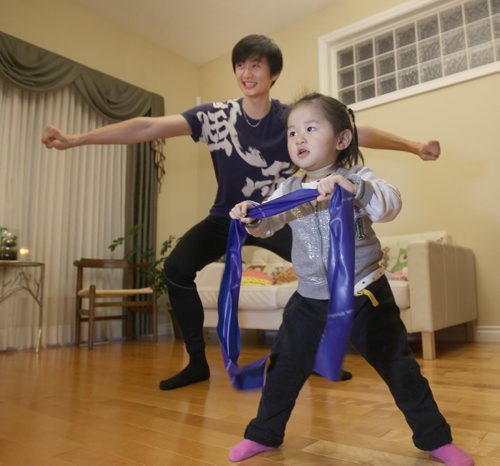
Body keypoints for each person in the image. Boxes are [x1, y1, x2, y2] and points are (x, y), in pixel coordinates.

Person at [42, 34, 441, 392]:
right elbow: (148, 127)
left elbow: (357, 128)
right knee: (177, 269)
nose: (246, 72)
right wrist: (76, 139)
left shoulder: (290, 118)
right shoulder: (216, 116)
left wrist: (415, 146)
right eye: (240, 64)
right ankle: (197, 362)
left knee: (321, 271)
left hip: (283, 213)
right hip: (230, 217)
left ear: (273, 74)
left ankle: (317, 356)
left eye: (256, 65)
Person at [228, 93, 473, 466]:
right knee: (284, 368)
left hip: (364, 294)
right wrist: (251, 215)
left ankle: (434, 438)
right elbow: (268, 222)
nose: (299, 139)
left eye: (311, 129)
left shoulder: (359, 178)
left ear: (341, 140)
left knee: (399, 368)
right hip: (309, 299)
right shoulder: (290, 188)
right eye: (293, 132)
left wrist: (355, 189)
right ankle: (264, 433)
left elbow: (390, 204)